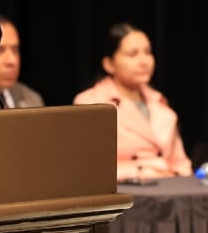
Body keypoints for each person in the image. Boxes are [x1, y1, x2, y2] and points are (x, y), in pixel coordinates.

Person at [73, 23, 191, 181]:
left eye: (147, 52)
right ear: (109, 64)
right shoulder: (91, 103)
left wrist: (177, 173)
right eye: (132, 54)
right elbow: (87, 167)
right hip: (123, 190)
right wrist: (145, 171)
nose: (144, 61)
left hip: (168, 188)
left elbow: (181, 163)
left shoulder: (159, 102)